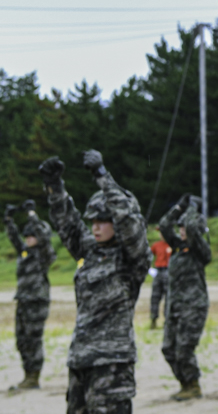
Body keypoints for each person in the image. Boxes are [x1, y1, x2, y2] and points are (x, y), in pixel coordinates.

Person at [39, 150, 151, 413]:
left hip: (112, 363)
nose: (96, 227)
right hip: (81, 359)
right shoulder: (90, 250)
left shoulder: (132, 258)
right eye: (93, 221)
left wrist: (103, 176)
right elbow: (67, 223)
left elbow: (128, 220)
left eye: (103, 221)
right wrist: (55, 186)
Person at [158, 194, 212, 401]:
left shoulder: (200, 251)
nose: (181, 230)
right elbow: (164, 225)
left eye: (184, 227)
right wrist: (179, 207)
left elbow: (190, 228)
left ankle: (193, 385)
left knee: (184, 349)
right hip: (174, 307)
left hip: (193, 307)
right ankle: (184, 383)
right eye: (179, 227)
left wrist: (193, 208)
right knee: (168, 349)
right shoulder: (178, 249)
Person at [4, 199, 56, 391]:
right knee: (21, 339)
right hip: (23, 300)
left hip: (37, 302)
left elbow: (43, 236)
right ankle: (27, 375)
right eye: (27, 235)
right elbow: (14, 238)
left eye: (31, 236)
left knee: (33, 339)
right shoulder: (24, 253)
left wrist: (32, 215)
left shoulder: (44, 254)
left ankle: (33, 377)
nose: (28, 238)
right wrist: (9, 219)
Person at [148, 225, 172, 329]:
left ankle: (167, 321)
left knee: (169, 297)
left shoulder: (173, 245)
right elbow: (147, 255)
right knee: (155, 296)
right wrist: (150, 269)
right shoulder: (156, 245)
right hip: (158, 271)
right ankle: (153, 319)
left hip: (169, 271)